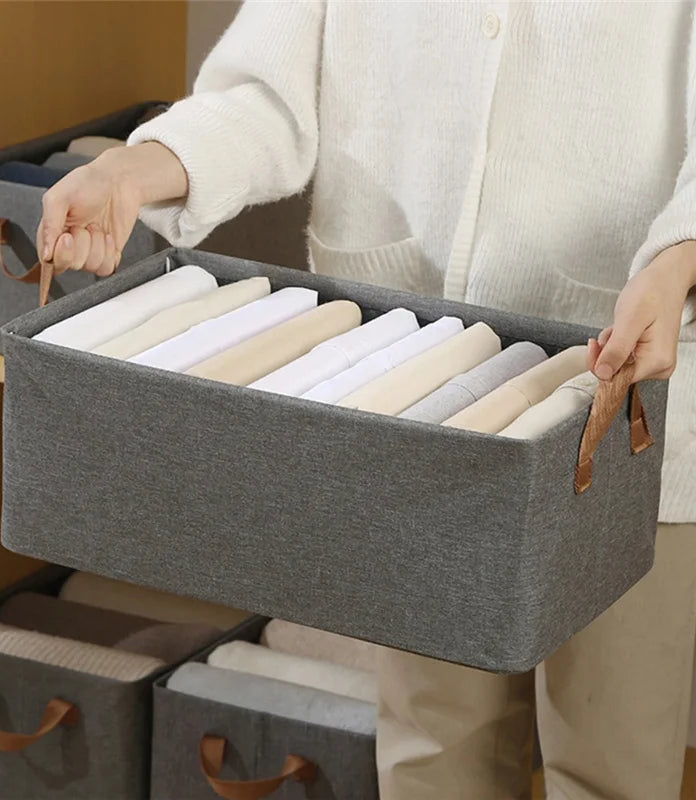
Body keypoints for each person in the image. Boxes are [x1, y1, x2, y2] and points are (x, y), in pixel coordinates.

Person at [37, 3, 696, 798]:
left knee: (608, 759)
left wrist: (677, 262)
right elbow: (267, 98)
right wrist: (133, 169)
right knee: (433, 748)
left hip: (629, 399)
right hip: (421, 405)